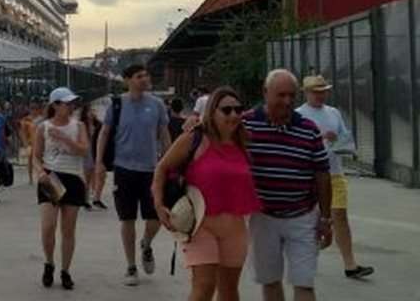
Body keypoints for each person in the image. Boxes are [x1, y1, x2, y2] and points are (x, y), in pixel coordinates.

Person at [153, 87, 261, 301]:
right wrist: (158, 204)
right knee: (204, 287)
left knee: (229, 291)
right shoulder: (195, 139)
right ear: (212, 112)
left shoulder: (244, 141)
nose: (233, 115)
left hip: (235, 227)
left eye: (238, 110)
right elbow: (162, 168)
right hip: (200, 224)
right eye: (226, 110)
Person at [244, 69, 332, 301]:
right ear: (265, 93)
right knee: (270, 281)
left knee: (304, 282)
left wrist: (325, 218)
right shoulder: (245, 125)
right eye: (281, 95)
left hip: (302, 216)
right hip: (263, 217)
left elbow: (322, 174)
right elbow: (216, 134)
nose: (288, 101)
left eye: (292, 95)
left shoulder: (308, 128)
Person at [95, 63, 172, 286]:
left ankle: (146, 244)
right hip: (124, 169)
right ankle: (131, 266)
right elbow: (104, 133)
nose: (145, 79)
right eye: (139, 76)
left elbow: (164, 134)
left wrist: (169, 163)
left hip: (151, 170)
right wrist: (99, 162)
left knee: (156, 217)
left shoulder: (157, 105)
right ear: (128, 80)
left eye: (146, 75)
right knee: (127, 218)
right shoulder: (117, 104)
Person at [296, 75, 374, 280]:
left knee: (340, 214)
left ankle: (350, 264)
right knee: (310, 219)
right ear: (306, 93)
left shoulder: (334, 113)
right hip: (309, 175)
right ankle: (308, 255)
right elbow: (296, 145)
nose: (320, 95)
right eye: (316, 91)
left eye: (323, 91)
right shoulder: (298, 115)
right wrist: (321, 138)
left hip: (334, 171)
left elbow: (345, 138)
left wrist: (341, 143)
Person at [34, 87, 89, 289]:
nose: (71, 106)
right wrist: (41, 172)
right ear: (55, 105)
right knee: (48, 226)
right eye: (66, 103)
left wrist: (65, 138)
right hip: (52, 177)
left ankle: (65, 270)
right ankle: (49, 263)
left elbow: (84, 151)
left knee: (68, 229)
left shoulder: (79, 126)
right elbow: (36, 155)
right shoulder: (43, 127)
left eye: (71, 103)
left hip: (73, 178)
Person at [80, 104, 106, 209]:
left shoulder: (99, 124)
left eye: (93, 110)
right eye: (89, 111)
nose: (92, 113)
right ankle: (85, 199)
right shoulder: (81, 125)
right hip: (87, 153)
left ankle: (96, 198)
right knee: (87, 177)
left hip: (97, 152)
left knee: (101, 176)